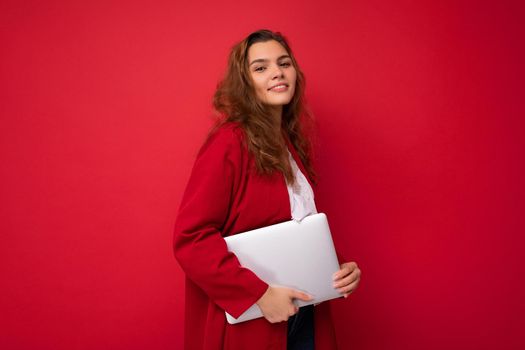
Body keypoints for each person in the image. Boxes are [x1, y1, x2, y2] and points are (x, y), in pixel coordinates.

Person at [173, 29, 361, 350]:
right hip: (257, 319)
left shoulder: (289, 144)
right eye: (260, 68)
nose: (277, 72)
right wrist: (258, 295)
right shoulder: (229, 143)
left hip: (306, 310)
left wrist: (339, 267)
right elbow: (191, 239)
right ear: (244, 83)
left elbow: (295, 226)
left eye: (283, 63)